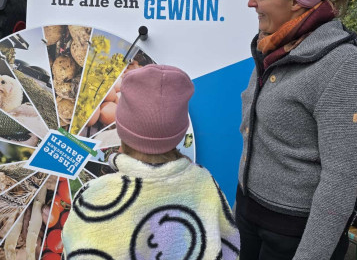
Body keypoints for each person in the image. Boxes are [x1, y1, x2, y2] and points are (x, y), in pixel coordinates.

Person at [236, 0, 357, 259]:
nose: (251, 2)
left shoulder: (342, 65)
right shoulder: (272, 47)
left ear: (296, 1)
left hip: (294, 237)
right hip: (249, 216)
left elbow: (342, 179)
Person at [62, 64, 240, 259]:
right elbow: (229, 247)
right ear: (181, 132)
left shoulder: (94, 198)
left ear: (120, 128)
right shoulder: (205, 185)